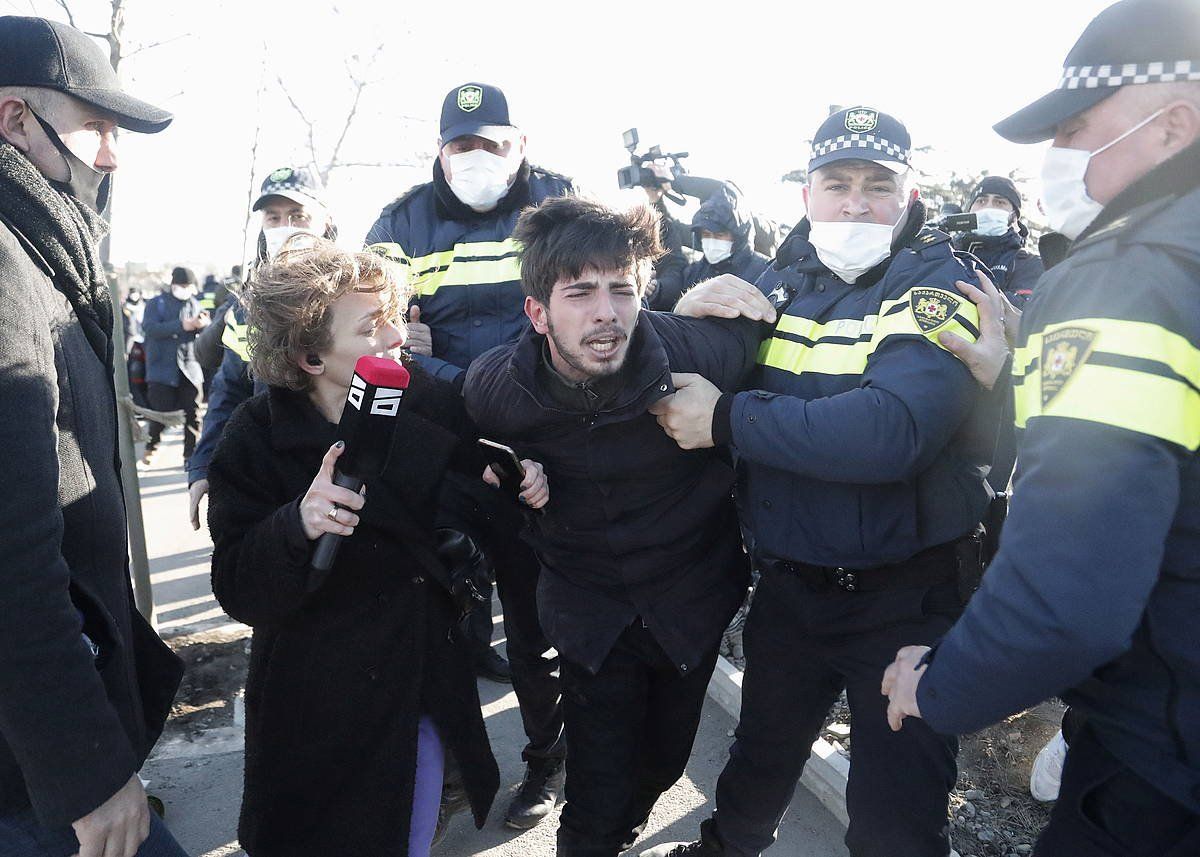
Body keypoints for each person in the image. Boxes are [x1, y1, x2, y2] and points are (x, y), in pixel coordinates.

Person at [881, 2, 1200, 855]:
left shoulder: (1125, 277)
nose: (1056, 158)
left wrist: (938, 684)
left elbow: (1067, 599)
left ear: (1174, 127)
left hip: (1165, 768)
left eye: (1076, 129)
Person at [643, 106, 997, 857]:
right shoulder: (775, 280)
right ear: (806, 195)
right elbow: (673, 382)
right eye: (838, 184)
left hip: (904, 600)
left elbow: (891, 433)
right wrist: (678, 311)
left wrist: (731, 417)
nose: (856, 203)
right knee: (759, 758)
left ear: (908, 193)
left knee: (896, 815)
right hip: (791, 590)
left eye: (877, 184)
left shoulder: (940, 285)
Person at [463, 196, 765, 857]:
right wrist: (509, 468)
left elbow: (784, 312)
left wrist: (734, 286)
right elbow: (462, 449)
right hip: (589, 610)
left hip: (689, 601)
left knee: (661, 767)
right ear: (537, 312)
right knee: (595, 803)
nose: (606, 311)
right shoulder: (495, 388)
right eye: (580, 292)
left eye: (621, 289)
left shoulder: (699, 351)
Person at [207, 240, 503, 856]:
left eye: (393, 314)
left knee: (405, 835)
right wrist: (300, 523)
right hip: (312, 698)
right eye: (372, 326)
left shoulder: (428, 402)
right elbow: (236, 584)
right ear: (309, 355)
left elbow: (484, 485)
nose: (399, 335)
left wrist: (518, 477)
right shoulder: (255, 436)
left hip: (417, 677)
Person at [0, 15, 186, 857]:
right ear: (13, 121)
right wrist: (83, 768)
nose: (110, 154)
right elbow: (9, 551)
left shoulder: (34, 249)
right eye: (94, 126)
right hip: (35, 772)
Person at [366, 81, 573, 827]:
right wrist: (454, 396)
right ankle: (451, 769)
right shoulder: (398, 223)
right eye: (462, 144)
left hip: (544, 452)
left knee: (535, 629)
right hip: (448, 454)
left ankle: (548, 762)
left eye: (493, 142)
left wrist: (448, 373)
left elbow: (588, 324)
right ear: (440, 153)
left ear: (521, 145)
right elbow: (382, 338)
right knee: (438, 624)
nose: (477, 158)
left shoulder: (562, 207)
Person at [186, 165, 337, 529]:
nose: (286, 226)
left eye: (298, 216)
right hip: (269, 476)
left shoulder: (354, 296)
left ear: (325, 224)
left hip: (343, 477)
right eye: (274, 217)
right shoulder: (246, 307)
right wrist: (204, 464)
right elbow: (229, 389)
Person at [648, 186, 770, 311]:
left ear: (738, 236)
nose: (712, 240)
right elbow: (672, 302)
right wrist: (655, 291)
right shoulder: (694, 272)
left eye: (719, 235)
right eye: (706, 235)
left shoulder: (765, 270)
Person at [140, 266, 208, 466]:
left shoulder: (195, 304)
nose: (185, 289)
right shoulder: (156, 304)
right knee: (160, 413)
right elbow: (150, 328)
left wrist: (203, 326)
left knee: (193, 414)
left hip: (190, 368)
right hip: (162, 370)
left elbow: (202, 334)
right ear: (173, 285)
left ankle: (191, 456)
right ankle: (151, 445)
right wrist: (181, 326)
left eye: (188, 285)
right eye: (181, 285)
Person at [952, 175, 1044, 308]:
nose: (988, 208)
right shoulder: (948, 253)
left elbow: (1024, 309)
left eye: (999, 202)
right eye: (981, 201)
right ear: (969, 210)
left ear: (1014, 217)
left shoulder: (1029, 263)